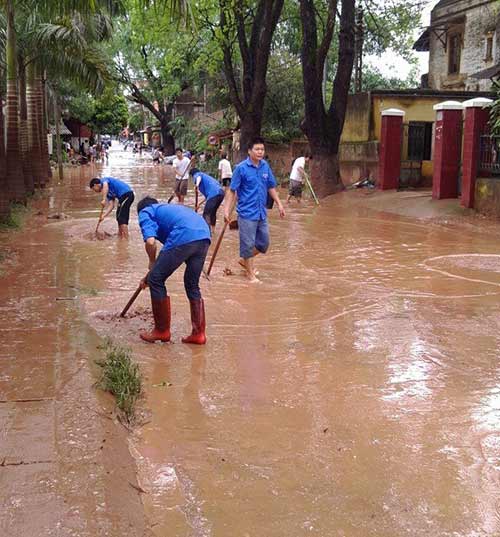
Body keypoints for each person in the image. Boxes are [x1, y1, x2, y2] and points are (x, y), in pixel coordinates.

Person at [136, 196, 211, 345]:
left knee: (156, 279)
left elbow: (151, 242)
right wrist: (150, 274)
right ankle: (199, 334)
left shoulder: (146, 212)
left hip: (184, 235)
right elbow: (169, 254)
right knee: (192, 284)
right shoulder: (168, 210)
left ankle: (162, 331)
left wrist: (151, 263)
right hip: (203, 234)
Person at [223, 137, 285, 283]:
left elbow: (271, 186)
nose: (260, 152)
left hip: (261, 212)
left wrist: (279, 204)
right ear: (249, 151)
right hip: (246, 213)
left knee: (264, 244)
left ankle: (244, 261)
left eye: (262, 149)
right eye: (257, 149)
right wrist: (226, 211)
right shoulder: (241, 168)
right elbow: (232, 191)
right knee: (248, 244)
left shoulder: (265, 167)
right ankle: (250, 275)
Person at [189, 168, 225, 234]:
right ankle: (213, 231)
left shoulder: (198, 174)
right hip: (221, 193)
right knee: (213, 213)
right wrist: (199, 203)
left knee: (206, 214)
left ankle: (207, 233)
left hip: (214, 193)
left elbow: (198, 177)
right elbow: (208, 197)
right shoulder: (207, 178)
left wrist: (196, 185)